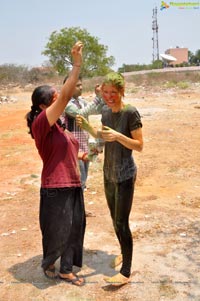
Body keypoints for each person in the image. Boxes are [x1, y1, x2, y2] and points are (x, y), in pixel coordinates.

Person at [25, 41, 86, 286]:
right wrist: (77, 63)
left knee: (74, 228)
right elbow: (69, 92)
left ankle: (66, 269)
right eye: (54, 96)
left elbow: (69, 149)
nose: (59, 97)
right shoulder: (41, 122)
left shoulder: (59, 126)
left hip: (72, 183)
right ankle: (49, 261)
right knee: (56, 230)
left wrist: (82, 155)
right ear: (43, 106)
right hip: (55, 186)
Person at [76, 72, 143, 286]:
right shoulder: (105, 112)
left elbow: (139, 145)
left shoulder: (130, 112)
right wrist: (90, 130)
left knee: (122, 223)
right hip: (109, 174)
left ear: (121, 92)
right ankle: (124, 252)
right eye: (105, 92)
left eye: (113, 92)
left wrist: (119, 136)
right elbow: (103, 140)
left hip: (125, 175)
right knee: (115, 221)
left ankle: (125, 272)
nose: (109, 96)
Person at [62, 75, 104, 192]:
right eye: (77, 85)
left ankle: (79, 208)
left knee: (83, 178)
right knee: (77, 180)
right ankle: (77, 209)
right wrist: (97, 98)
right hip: (73, 147)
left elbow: (96, 110)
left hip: (84, 146)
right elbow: (80, 113)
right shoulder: (65, 103)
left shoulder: (81, 101)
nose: (81, 87)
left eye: (81, 85)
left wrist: (101, 98)